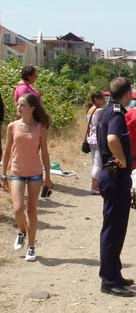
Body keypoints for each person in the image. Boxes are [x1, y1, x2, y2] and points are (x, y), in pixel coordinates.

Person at [1, 93, 51, 262]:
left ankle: (31, 246)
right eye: (18, 104)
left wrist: (48, 177)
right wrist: (3, 173)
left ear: (32, 108)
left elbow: (45, 153)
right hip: (17, 172)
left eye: (22, 104)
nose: (19, 107)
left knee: (32, 211)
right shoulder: (12, 126)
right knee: (17, 209)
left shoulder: (40, 127)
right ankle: (22, 231)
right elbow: (7, 151)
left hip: (35, 173)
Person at [97, 77, 135, 297]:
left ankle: (115, 273)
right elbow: (112, 139)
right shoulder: (117, 115)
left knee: (117, 228)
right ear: (127, 93)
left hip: (110, 177)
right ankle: (109, 281)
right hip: (115, 177)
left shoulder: (106, 110)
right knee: (113, 230)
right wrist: (121, 160)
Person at [87, 92, 105, 195]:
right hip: (98, 139)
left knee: (95, 163)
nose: (104, 101)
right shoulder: (99, 110)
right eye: (102, 99)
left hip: (91, 140)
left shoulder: (89, 110)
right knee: (98, 164)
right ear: (96, 99)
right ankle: (94, 187)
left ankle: (96, 185)